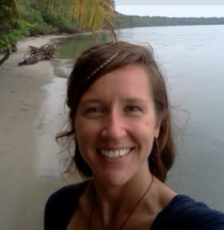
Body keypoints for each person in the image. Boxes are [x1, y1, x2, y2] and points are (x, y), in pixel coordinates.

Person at [44, 41, 224, 230]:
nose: (114, 131)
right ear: (75, 122)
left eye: (132, 108)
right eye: (95, 109)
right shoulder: (60, 206)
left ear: (157, 124)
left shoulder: (191, 224)